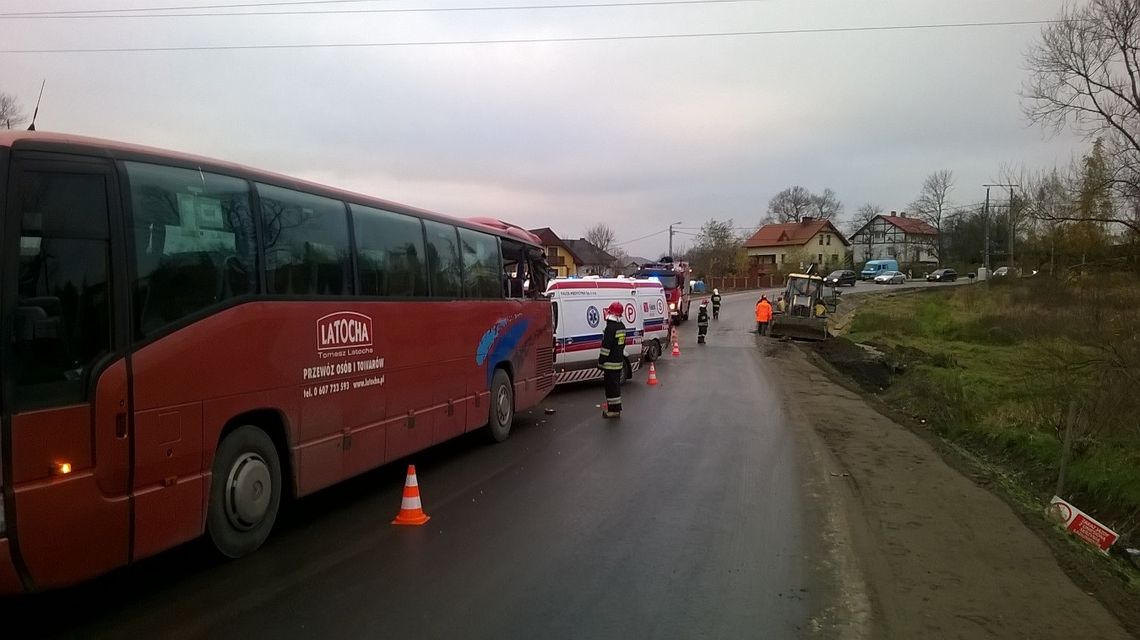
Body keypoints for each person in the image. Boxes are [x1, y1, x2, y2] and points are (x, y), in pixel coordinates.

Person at [598, 301, 627, 419]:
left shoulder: (610, 327)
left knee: (611, 388)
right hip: (618, 362)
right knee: (615, 387)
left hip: (610, 364)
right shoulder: (622, 326)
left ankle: (614, 411)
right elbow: (623, 344)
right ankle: (615, 409)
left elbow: (606, 347)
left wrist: (601, 361)